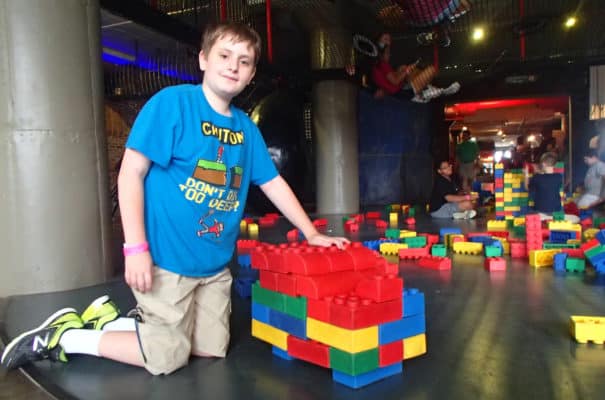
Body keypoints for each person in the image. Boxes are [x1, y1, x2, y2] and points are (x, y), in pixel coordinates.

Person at [1, 22, 349, 374]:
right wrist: (135, 248)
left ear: (251, 73)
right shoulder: (174, 104)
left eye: (244, 62)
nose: (233, 66)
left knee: (210, 350)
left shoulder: (245, 129)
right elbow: (130, 173)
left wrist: (311, 233)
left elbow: (273, 184)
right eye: (224, 55)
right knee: (168, 357)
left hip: (213, 268)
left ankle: (118, 323)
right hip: (166, 261)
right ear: (203, 60)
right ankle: (67, 337)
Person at [370, 33, 460, 103]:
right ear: (379, 43)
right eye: (386, 39)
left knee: (404, 68)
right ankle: (425, 94)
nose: (389, 42)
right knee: (431, 70)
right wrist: (407, 71)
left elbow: (389, 79)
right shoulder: (381, 63)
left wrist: (402, 70)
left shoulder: (382, 62)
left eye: (389, 39)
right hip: (402, 93)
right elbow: (395, 81)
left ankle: (425, 90)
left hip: (398, 89)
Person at [526, 152, 578, 222]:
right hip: (556, 210)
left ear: (543, 164)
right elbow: (549, 184)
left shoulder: (537, 177)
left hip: (541, 210)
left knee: (528, 212)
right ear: (554, 164)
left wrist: (525, 174)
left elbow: (527, 188)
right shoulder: (558, 177)